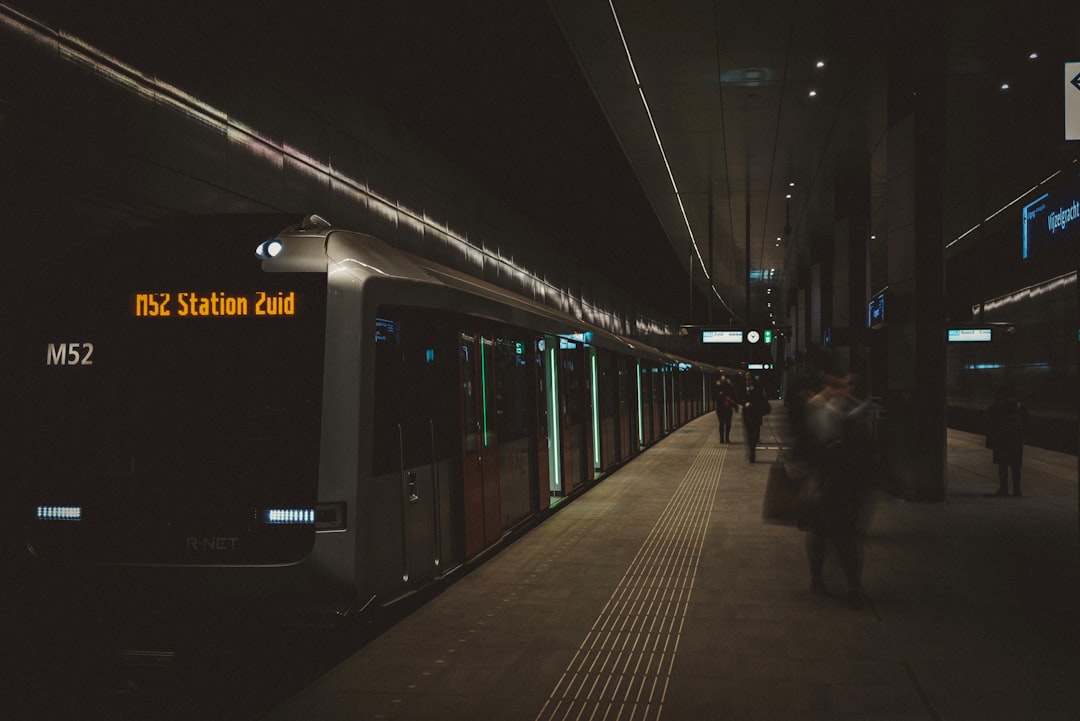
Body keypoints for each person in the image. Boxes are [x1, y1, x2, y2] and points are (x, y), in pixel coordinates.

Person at [803, 373, 875, 610]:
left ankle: (838, 582)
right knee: (835, 533)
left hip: (844, 481)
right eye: (841, 384)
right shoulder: (827, 409)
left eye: (848, 384)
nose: (845, 388)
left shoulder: (854, 410)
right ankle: (845, 584)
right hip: (831, 480)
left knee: (833, 533)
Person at [985, 387, 1028, 496]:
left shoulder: (995, 408)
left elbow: (991, 425)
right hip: (1016, 442)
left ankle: (1004, 489)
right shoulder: (1020, 409)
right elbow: (1027, 423)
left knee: (1002, 466)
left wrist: (990, 442)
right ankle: (1017, 490)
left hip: (1001, 441)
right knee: (1016, 467)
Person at [739, 371, 769, 462]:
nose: (747, 378)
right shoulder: (742, 387)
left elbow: (761, 399)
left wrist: (753, 403)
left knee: (755, 433)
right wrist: (744, 403)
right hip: (747, 413)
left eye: (749, 376)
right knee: (749, 433)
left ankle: (753, 447)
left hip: (756, 413)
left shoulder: (757, 386)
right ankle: (752, 452)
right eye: (746, 376)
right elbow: (739, 397)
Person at [713, 374, 737, 443]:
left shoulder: (719, 387)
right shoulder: (729, 387)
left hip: (721, 408)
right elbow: (734, 397)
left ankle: (723, 438)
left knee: (722, 424)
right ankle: (725, 438)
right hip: (725, 408)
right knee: (726, 424)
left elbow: (715, 397)